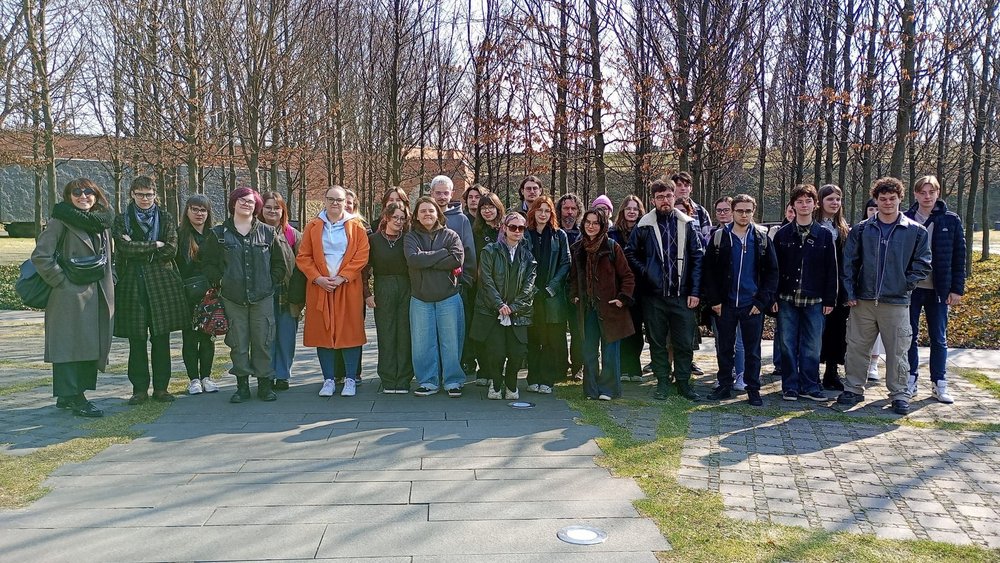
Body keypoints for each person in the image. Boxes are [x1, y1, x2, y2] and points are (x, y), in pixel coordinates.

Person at [840, 177, 931, 415]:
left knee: (898, 350)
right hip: (863, 300)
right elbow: (849, 262)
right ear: (876, 200)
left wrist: (905, 284)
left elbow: (923, 263)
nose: (888, 203)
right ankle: (853, 388)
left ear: (901, 199)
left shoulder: (916, 232)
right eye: (883, 199)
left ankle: (900, 394)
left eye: (892, 198)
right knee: (857, 347)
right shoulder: (861, 229)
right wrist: (850, 292)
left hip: (897, 301)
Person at [32, 178, 115, 417]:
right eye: (76, 192)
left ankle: (68, 396)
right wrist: (62, 283)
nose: (83, 196)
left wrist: (113, 278)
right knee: (69, 347)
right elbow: (41, 256)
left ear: (96, 195)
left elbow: (110, 257)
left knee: (90, 345)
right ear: (68, 197)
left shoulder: (102, 222)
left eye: (88, 192)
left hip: (98, 293)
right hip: (69, 296)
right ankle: (76, 396)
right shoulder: (60, 222)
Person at [202, 187, 287, 403]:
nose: (246, 204)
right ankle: (242, 387)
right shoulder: (219, 234)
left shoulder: (268, 232)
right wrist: (221, 282)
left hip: (262, 297)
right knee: (238, 343)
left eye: (250, 201)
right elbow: (209, 264)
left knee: (263, 341)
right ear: (233, 203)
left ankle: (265, 385)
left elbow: (280, 264)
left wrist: (270, 281)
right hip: (233, 298)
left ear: (256, 205)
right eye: (241, 200)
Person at [626, 177, 704, 401]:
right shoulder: (644, 225)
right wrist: (648, 271)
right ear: (653, 200)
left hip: (682, 296)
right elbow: (630, 253)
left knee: (683, 343)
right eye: (660, 197)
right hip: (654, 297)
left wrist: (695, 291)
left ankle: (683, 384)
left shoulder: (687, 223)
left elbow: (698, 258)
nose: (665, 201)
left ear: (674, 196)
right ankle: (662, 382)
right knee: (657, 343)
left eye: (668, 196)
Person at [113, 176, 188, 404]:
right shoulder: (121, 219)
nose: (145, 199)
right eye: (140, 194)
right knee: (136, 340)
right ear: (132, 195)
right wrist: (155, 244)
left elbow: (172, 249)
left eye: (149, 194)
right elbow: (123, 247)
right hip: (132, 284)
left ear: (156, 195)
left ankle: (161, 388)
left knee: (161, 338)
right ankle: (139, 389)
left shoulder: (165, 218)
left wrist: (138, 247)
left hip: (161, 283)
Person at [703, 194, 778, 407]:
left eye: (748, 211)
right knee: (725, 348)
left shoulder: (762, 239)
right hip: (725, 304)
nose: (744, 215)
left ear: (753, 212)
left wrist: (761, 302)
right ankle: (724, 385)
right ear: (733, 211)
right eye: (740, 211)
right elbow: (709, 272)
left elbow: (772, 273)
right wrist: (714, 300)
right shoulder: (720, 238)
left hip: (751, 305)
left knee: (752, 350)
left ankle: (753, 389)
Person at [296, 186, 370, 398]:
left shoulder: (356, 227)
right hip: (320, 287)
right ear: (324, 200)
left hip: (347, 287)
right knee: (323, 332)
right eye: (331, 199)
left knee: (350, 332)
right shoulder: (313, 226)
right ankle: (328, 379)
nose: (335, 203)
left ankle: (349, 378)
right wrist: (318, 278)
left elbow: (361, 256)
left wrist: (343, 276)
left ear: (345, 201)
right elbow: (304, 256)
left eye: (339, 200)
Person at [772, 184, 838, 402]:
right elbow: (774, 270)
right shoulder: (781, 235)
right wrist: (772, 297)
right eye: (799, 201)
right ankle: (790, 385)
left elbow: (832, 270)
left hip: (815, 299)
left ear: (815, 204)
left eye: (808, 201)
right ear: (792, 205)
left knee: (812, 345)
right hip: (787, 298)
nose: (804, 205)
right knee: (787, 344)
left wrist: (830, 298)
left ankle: (810, 385)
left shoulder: (825, 236)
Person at [904, 175, 965, 404]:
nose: (927, 196)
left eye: (931, 192)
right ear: (916, 194)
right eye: (922, 192)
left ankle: (939, 382)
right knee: (909, 336)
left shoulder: (951, 220)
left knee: (939, 338)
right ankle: (910, 379)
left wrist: (956, 288)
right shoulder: (906, 218)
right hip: (911, 288)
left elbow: (959, 256)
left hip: (939, 289)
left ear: (938, 193)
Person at [570, 208, 636, 400]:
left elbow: (628, 276)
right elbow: (573, 278)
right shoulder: (578, 248)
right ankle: (591, 389)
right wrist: (574, 296)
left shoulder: (612, 246)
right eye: (588, 222)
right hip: (588, 308)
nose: (591, 226)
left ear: (602, 226)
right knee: (589, 351)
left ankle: (608, 389)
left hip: (610, 308)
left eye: (596, 223)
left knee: (610, 352)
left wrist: (622, 298)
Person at [404, 196, 466, 396]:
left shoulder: (451, 235)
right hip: (421, 298)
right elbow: (413, 260)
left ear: (438, 213)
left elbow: (456, 259)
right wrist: (441, 254)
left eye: (430, 210)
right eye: (422, 211)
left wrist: (427, 259)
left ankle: (453, 381)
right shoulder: (411, 237)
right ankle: (428, 381)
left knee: (452, 341)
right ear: (416, 215)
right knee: (422, 343)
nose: (427, 214)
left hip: (448, 296)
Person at [472, 212, 537, 399]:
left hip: (518, 312)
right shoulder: (489, 251)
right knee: (496, 352)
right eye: (513, 227)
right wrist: (499, 304)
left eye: (521, 228)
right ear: (504, 228)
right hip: (493, 310)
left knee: (517, 352)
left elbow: (530, 285)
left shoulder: (528, 257)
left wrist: (514, 307)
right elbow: (486, 280)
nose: (517, 231)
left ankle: (511, 383)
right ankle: (496, 382)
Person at [430, 175, 478, 379]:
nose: (442, 197)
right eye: (438, 193)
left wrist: (465, 281)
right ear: (431, 193)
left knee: (455, 331)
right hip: (428, 287)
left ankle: (459, 366)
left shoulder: (461, 219)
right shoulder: (424, 215)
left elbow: (469, 252)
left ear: (452, 194)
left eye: (445, 193)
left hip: (456, 287)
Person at [365, 202, 415, 393]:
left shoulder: (408, 239)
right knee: (386, 333)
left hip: (405, 287)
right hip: (383, 286)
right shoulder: (374, 240)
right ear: (386, 217)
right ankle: (387, 377)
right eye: (395, 217)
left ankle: (403, 378)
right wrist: (367, 294)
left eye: (402, 218)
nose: (399, 221)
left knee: (404, 333)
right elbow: (364, 269)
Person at [525, 196, 571, 394]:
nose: (543, 214)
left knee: (552, 340)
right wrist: (532, 288)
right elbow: (522, 263)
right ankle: (533, 377)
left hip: (552, 297)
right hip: (531, 296)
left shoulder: (559, 235)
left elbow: (565, 263)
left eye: (547, 210)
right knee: (534, 339)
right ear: (533, 212)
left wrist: (552, 287)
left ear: (551, 213)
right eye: (539, 210)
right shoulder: (526, 235)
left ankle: (547, 379)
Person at [259, 191, 304, 391]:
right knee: (265, 337)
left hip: (287, 293)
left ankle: (282, 374)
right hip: (262, 293)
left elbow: (302, 266)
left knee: (286, 336)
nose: (272, 211)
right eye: (268, 207)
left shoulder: (293, 234)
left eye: (276, 207)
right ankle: (266, 374)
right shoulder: (254, 231)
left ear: (283, 210)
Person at [177, 194, 220, 395]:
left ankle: (207, 377)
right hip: (186, 294)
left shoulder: (214, 235)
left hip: (209, 295)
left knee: (208, 337)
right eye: (195, 209)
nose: (199, 213)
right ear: (187, 211)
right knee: (189, 338)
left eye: (203, 210)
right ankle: (193, 379)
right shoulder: (180, 235)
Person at [816, 184, 851, 391]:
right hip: (818, 287)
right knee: (816, 332)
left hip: (840, 289)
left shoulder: (844, 229)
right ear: (820, 202)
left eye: (838, 199)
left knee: (837, 331)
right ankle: (811, 372)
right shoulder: (813, 225)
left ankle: (831, 372)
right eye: (830, 199)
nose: (835, 203)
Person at [708, 196, 745, 389]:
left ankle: (741, 375)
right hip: (720, 299)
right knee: (721, 341)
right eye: (719, 210)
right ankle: (724, 374)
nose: (723, 213)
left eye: (726, 209)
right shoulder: (714, 236)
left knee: (740, 340)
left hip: (742, 298)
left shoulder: (746, 235)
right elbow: (709, 270)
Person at [610, 195, 646, 382]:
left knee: (637, 329)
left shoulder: (646, 232)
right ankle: (623, 368)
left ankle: (635, 367)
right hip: (619, 287)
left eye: (635, 209)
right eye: (628, 208)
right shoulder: (613, 233)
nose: (632, 212)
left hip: (640, 287)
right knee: (622, 328)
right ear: (622, 211)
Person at [556, 192, 585, 379]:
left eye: (573, 208)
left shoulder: (584, 233)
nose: (569, 212)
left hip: (578, 289)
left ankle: (578, 367)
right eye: (565, 208)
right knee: (557, 330)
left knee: (578, 330)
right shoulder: (554, 232)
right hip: (558, 288)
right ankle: (560, 365)